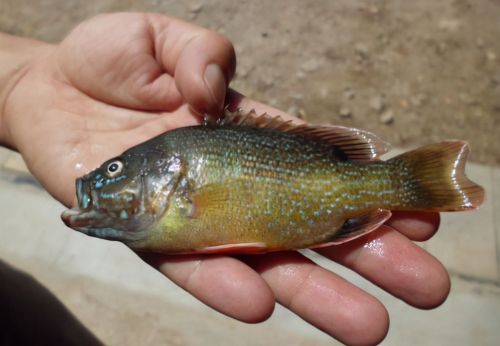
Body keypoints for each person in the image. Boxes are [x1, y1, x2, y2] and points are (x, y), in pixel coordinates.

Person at [0, 12, 449, 345]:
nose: (101, 179)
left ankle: (415, 180)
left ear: (166, 177)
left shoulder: (178, 179)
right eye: (112, 169)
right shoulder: (167, 196)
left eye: (115, 170)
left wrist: (20, 80)